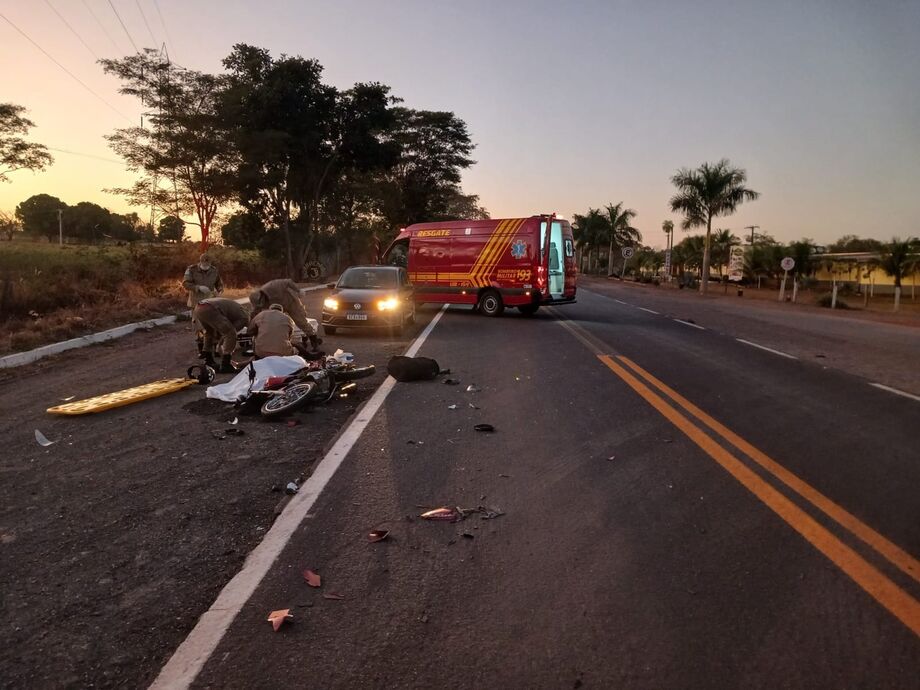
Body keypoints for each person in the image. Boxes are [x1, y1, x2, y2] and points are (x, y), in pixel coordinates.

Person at [249, 278, 321, 350]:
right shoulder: (260, 302)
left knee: (301, 322)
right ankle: (280, 342)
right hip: (278, 308)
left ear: (262, 296)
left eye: (262, 303)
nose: (262, 305)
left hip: (291, 303)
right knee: (276, 324)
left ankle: (313, 340)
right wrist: (250, 327)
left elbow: (288, 282)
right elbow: (256, 314)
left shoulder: (273, 286)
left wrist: (298, 291)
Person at [193, 297, 249, 373]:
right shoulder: (245, 317)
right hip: (212, 308)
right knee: (230, 333)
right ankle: (226, 365)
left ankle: (208, 360)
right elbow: (231, 332)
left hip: (199, 307)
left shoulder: (238, 309)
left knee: (209, 332)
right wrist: (220, 343)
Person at [183, 253, 223, 357]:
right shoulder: (191, 270)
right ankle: (202, 350)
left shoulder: (214, 270)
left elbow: (219, 283)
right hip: (196, 302)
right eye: (204, 264)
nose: (206, 266)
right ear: (200, 262)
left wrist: (219, 290)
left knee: (213, 325)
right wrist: (198, 287)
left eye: (208, 264)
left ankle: (214, 348)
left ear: (210, 263)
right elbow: (185, 283)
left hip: (211, 302)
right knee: (199, 327)